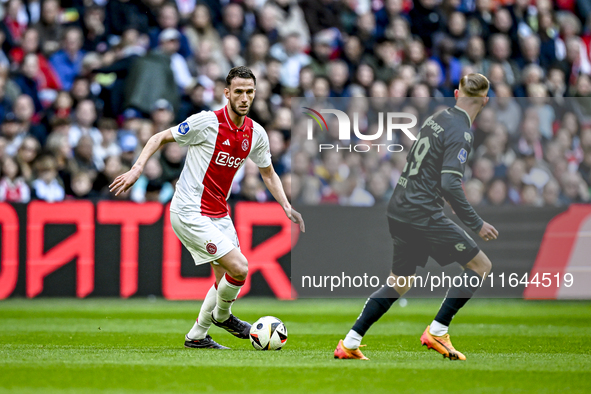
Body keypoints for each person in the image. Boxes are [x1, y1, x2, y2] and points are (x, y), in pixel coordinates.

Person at [110, 66, 305, 349]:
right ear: (227, 93)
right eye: (238, 92)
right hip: (188, 210)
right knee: (240, 267)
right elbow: (159, 137)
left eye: (249, 92)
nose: (244, 97)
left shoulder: (256, 133)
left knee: (225, 278)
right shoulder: (206, 123)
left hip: (219, 212)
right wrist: (137, 168)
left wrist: (286, 205)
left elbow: (268, 172)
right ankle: (223, 317)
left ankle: (197, 336)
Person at [334, 73, 499, 361]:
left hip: (399, 206)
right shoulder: (461, 132)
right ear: (485, 101)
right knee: (480, 265)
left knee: (400, 281)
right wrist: (476, 223)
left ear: (457, 94)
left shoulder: (439, 117)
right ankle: (437, 330)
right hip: (422, 211)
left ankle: (349, 342)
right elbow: (450, 184)